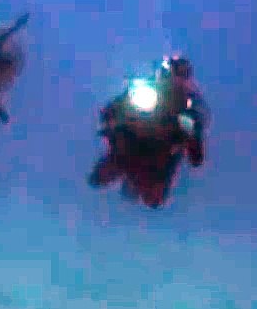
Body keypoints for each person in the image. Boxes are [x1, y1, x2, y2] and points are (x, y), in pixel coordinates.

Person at [89, 54, 209, 205]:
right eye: (173, 72)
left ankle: (137, 183)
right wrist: (112, 122)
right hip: (130, 142)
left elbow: (196, 156)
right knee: (98, 178)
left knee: (153, 200)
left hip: (160, 156)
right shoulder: (146, 89)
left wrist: (190, 133)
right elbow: (110, 110)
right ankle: (121, 174)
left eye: (181, 75)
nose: (175, 80)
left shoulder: (188, 108)